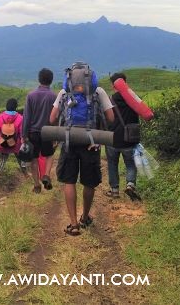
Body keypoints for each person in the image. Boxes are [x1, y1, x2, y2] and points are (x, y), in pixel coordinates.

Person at [50, 62, 115, 236]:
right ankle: (85, 217)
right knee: (89, 181)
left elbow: (52, 117)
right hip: (91, 142)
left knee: (69, 181)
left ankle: (73, 224)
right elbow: (111, 117)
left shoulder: (64, 92)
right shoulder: (98, 91)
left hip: (69, 140)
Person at [105, 72, 145, 201]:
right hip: (130, 138)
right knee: (130, 164)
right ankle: (130, 185)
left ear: (113, 85)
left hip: (113, 139)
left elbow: (106, 118)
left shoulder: (110, 100)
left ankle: (114, 190)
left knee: (112, 164)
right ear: (125, 83)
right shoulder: (133, 98)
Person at [22, 68, 57, 193]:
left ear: (39, 79)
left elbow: (26, 117)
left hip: (33, 132)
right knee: (49, 155)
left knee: (34, 159)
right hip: (48, 132)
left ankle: (37, 185)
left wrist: (23, 135)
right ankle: (46, 174)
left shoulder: (31, 95)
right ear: (51, 80)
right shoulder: (54, 96)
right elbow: (57, 117)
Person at [0, 98, 25, 179]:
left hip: (3, 141)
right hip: (16, 143)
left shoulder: (1, 116)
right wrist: (22, 140)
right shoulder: (20, 118)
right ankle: (26, 174)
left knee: (2, 159)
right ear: (16, 107)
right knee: (20, 159)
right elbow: (22, 131)